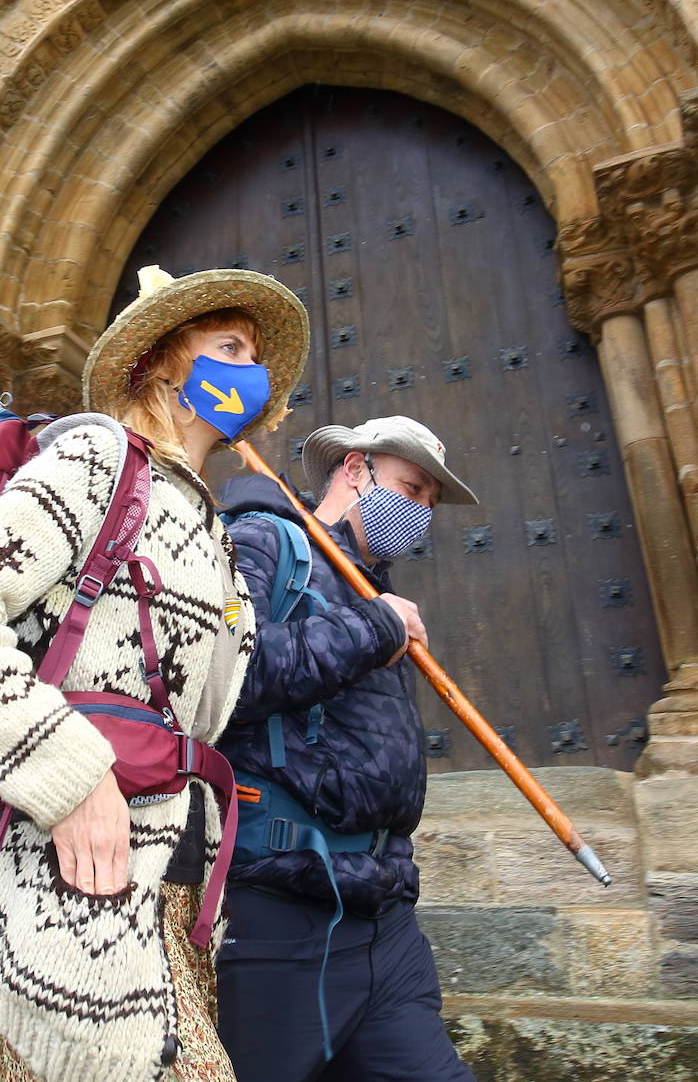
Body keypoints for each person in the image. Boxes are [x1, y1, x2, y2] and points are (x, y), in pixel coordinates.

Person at [0, 265, 308, 1081]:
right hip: (70, 879)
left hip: (163, 885)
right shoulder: (96, 463)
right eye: (228, 347)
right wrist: (69, 780)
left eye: (253, 357)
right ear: (164, 364)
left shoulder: (206, 521)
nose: (250, 374)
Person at [214, 416, 479, 1082]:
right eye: (410, 487)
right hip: (280, 911)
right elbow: (232, 676)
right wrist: (373, 627)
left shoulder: (375, 589)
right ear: (355, 469)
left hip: (383, 918)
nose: (419, 512)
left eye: (429, 502)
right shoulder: (264, 543)